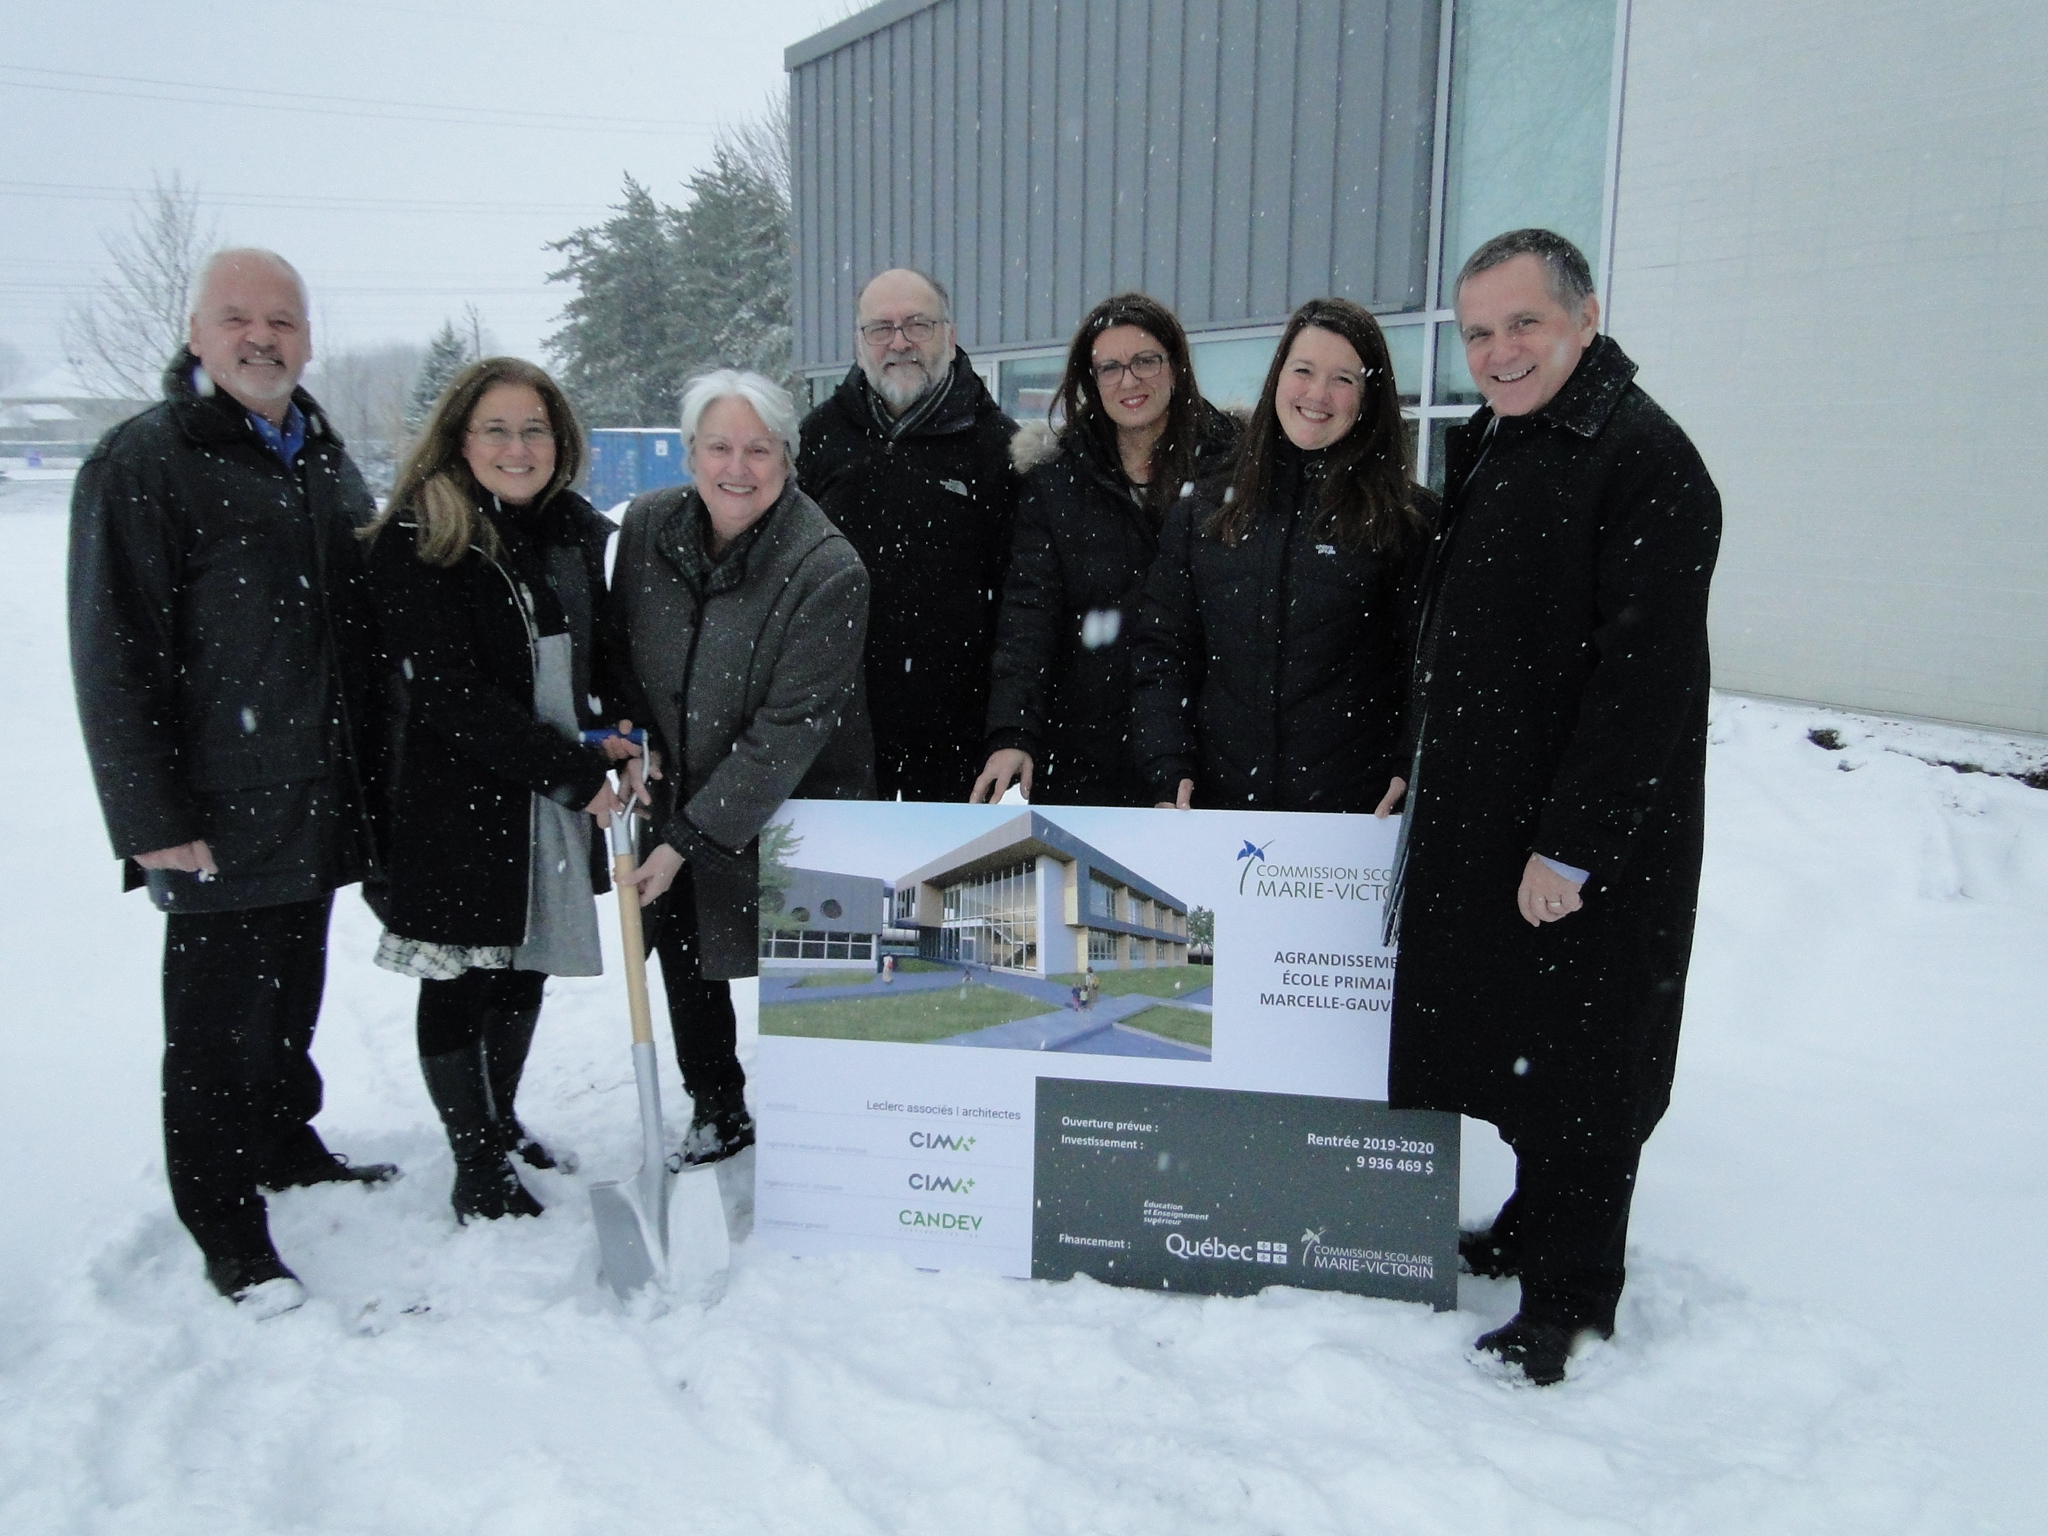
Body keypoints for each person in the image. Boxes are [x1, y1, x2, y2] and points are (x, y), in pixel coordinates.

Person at [1379, 229, 1721, 1386]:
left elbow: (1647, 683)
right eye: (1476, 333)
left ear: (1582, 316)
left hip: (1579, 841)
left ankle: (1570, 1300)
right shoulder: (1503, 437)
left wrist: (1571, 845)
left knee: (1578, 1061)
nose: (1496, 352)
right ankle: (1532, 1226)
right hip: (1487, 809)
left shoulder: (1644, 460)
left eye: (1521, 324)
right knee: (1514, 1043)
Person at [69, 248, 395, 1317]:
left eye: (285, 321)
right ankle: (224, 1222)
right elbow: (112, 647)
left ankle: (281, 1140)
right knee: (213, 1024)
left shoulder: (317, 453)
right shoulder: (147, 461)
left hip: (311, 794)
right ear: (197, 332)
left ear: (308, 338)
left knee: (290, 994)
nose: (264, 338)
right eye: (240, 319)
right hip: (213, 807)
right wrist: (149, 817)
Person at [362, 358, 635, 1223]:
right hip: (461, 799)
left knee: (524, 969)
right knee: (461, 980)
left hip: (547, 800)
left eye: (535, 430)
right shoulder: (422, 537)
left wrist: (615, 728)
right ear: (460, 439)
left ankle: (500, 1121)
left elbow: (595, 656)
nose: (518, 448)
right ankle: (474, 1165)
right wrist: (569, 771)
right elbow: (446, 693)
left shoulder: (570, 532)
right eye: (498, 430)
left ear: (560, 442)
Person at [612, 370, 874, 1163]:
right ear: (689, 454)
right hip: (677, 783)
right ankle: (716, 1104)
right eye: (719, 446)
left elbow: (788, 731)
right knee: (689, 954)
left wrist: (689, 835)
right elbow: (618, 652)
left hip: (797, 799)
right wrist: (629, 748)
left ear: (787, 459)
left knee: (812, 965)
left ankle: (835, 1125)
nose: (738, 467)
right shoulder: (651, 525)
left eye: (759, 449)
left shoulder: (828, 567)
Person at [1129, 298, 1435, 814]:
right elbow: (1164, 648)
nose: (1317, 394)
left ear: (1369, 397)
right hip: (1213, 811)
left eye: (1343, 379)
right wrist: (1167, 763)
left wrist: (1412, 763)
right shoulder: (1204, 507)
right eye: (1304, 371)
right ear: (1278, 379)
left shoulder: (1410, 521)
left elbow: (1430, 666)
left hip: (1356, 821)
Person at [972, 293, 1239, 808]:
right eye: (1110, 367)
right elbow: (1029, 617)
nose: (1128, 380)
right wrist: (1012, 732)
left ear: (1176, 366)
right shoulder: (1058, 482)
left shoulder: (1233, 468)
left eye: (1145, 361)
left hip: (1206, 750)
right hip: (1086, 753)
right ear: (1089, 380)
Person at [797, 268, 1018, 801]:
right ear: (859, 343)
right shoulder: (814, 442)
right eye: (881, 329)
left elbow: (1024, 606)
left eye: (917, 324)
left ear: (950, 333)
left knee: (955, 884)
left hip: (956, 746)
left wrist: (1008, 724)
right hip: (833, 733)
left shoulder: (1000, 451)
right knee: (840, 885)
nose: (899, 342)